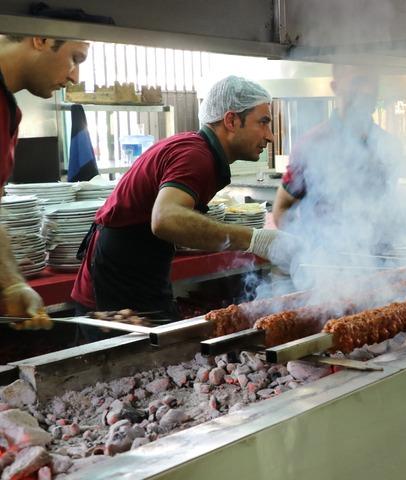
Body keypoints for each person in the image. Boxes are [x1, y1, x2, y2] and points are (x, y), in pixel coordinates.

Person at [71, 76, 298, 320]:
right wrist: (256, 240)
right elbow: (165, 218)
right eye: (263, 122)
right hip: (114, 289)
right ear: (231, 120)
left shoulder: (196, 149)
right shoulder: (195, 156)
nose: (270, 136)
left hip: (135, 274)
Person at [0, 34, 90, 328]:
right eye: (75, 58)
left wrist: (12, 283)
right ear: (41, 38)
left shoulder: (9, 112)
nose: (75, 77)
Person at [271, 64, 402, 247]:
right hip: (328, 259)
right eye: (358, 81)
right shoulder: (311, 145)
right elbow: (283, 207)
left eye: (373, 83)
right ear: (336, 87)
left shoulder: (389, 145)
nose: (367, 90)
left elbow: (388, 206)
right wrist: (307, 249)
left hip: (378, 257)